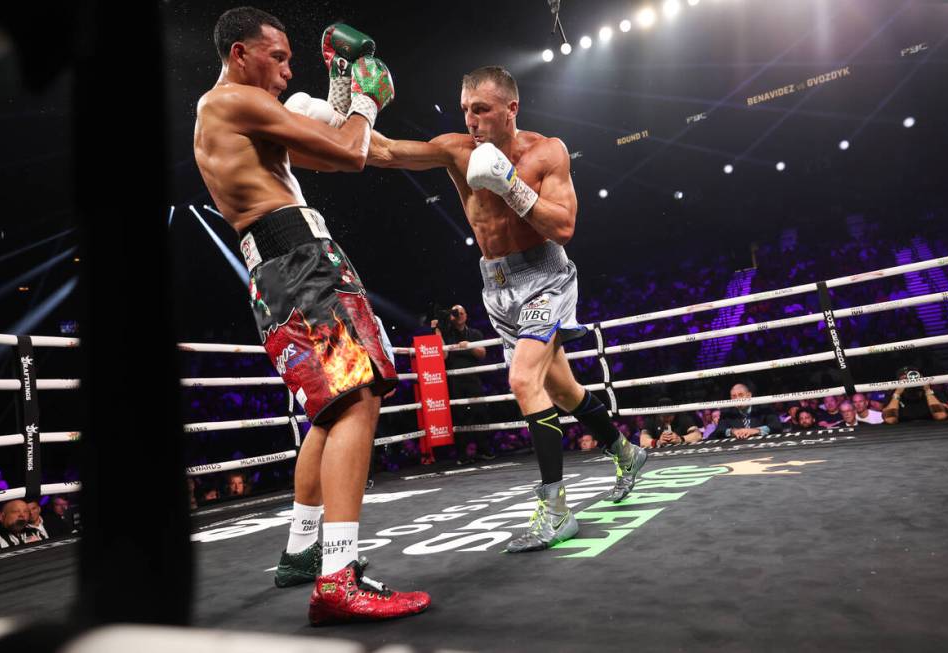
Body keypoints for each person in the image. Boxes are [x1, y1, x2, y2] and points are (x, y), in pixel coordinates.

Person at [193, 8, 428, 624]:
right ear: (241, 54)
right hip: (300, 263)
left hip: (280, 268)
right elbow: (352, 152)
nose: (287, 70)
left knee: (332, 406)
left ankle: (307, 553)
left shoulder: (239, 116)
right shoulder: (229, 103)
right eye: (278, 57)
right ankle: (338, 577)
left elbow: (326, 154)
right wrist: (369, 100)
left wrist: (344, 88)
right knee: (359, 397)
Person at [367, 65, 647, 552]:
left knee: (522, 380)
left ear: (511, 109)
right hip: (495, 285)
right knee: (560, 388)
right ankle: (625, 451)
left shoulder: (547, 152)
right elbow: (385, 152)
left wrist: (509, 184)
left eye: (482, 110)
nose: (471, 121)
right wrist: (346, 108)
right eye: (466, 111)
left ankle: (556, 510)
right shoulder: (457, 150)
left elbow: (563, 227)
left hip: (546, 276)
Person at [433, 304, 495, 464]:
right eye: (455, 313)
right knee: (460, 417)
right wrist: (438, 331)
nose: (458, 315)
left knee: (480, 413)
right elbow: (443, 355)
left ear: (466, 315)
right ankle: (462, 455)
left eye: (461, 312)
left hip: (473, 379)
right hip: (455, 381)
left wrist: (469, 346)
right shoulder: (447, 334)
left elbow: (482, 353)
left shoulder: (474, 333)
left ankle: (484, 450)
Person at [882, 366, 948, 424]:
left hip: (933, 430)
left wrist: (927, 391)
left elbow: (941, 416)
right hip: (903, 433)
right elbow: (890, 420)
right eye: (905, 379)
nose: (911, 381)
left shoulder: (934, 392)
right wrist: (897, 394)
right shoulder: (892, 395)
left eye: (914, 377)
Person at [714, 382, 782, 440]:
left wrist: (756, 430)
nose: (737, 399)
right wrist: (733, 431)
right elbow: (719, 430)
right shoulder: (727, 411)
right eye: (734, 396)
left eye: (740, 395)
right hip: (739, 449)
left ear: (749, 395)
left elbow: (776, 426)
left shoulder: (764, 407)